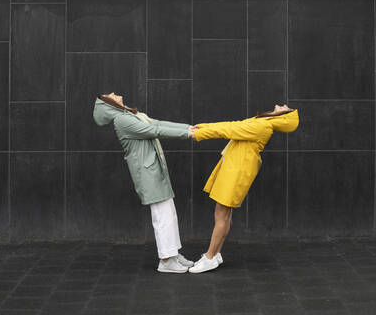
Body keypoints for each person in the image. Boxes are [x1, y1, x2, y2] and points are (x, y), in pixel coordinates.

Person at [187, 104, 299, 273]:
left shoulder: (262, 125)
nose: (280, 105)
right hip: (235, 168)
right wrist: (203, 127)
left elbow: (230, 129)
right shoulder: (261, 122)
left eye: (284, 107)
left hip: (237, 171)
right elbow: (234, 124)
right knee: (223, 213)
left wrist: (200, 132)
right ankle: (215, 254)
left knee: (222, 213)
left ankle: (209, 257)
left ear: (283, 115)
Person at [93, 92, 195, 273]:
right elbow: (153, 131)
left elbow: (157, 123)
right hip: (148, 173)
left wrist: (189, 128)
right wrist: (187, 133)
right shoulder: (122, 121)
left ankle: (172, 254)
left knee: (168, 212)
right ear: (107, 104)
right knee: (162, 215)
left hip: (154, 170)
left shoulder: (130, 115)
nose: (116, 94)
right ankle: (165, 261)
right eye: (111, 94)